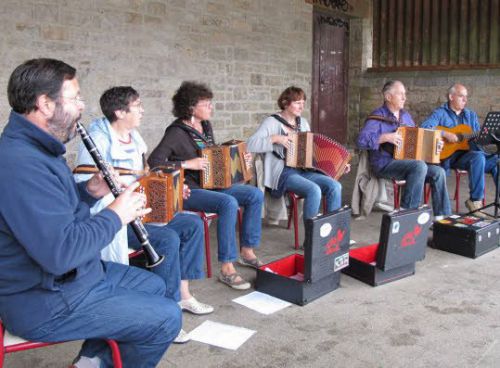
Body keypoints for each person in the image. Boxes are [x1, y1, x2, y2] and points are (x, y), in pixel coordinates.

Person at [0, 58, 180, 368]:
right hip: (44, 299)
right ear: (44, 104)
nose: (82, 106)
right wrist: (115, 214)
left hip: (75, 278)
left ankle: (90, 361)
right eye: (75, 97)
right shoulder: (21, 163)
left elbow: (60, 215)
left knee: (155, 286)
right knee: (166, 318)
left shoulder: (42, 149)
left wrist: (88, 193)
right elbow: (61, 252)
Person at [75, 86, 214, 345]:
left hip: (142, 208)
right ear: (119, 111)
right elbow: (85, 185)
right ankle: (167, 311)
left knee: (193, 223)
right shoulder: (98, 139)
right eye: (137, 105)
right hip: (116, 218)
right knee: (169, 239)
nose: (142, 109)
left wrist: (171, 185)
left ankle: (183, 293)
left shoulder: (135, 137)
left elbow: (146, 173)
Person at [148, 81, 264, 290]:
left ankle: (247, 252)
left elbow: (212, 156)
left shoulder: (206, 127)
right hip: (189, 190)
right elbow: (154, 162)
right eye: (206, 103)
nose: (211, 107)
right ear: (191, 107)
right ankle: (227, 268)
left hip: (212, 186)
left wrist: (239, 161)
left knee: (254, 195)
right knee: (228, 203)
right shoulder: (175, 132)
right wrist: (186, 164)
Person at [247, 86, 348, 224]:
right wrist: (276, 138)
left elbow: (313, 152)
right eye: (297, 103)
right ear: (285, 103)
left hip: (303, 170)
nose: (301, 107)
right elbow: (250, 144)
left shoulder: (303, 123)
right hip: (283, 173)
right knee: (314, 190)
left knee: (335, 186)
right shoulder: (272, 122)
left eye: (303, 103)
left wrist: (339, 165)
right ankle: (311, 240)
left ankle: (331, 235)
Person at [357, 80, 451, 219]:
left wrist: (434, 145)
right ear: (388, 97)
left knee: (439, 172)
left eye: (404, 94)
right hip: (385, 164)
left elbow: (417, 141)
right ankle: (407, 215)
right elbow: (361, 141)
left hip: (408, 162)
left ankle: (442, 218)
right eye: (400, 94)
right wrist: (385, 137)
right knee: (418, 166)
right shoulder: (376, 117)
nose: (404, 98)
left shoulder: (406, 116)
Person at [421, 83, 498, 216]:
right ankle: (475, 201)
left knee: (497, 161)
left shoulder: (470, 115)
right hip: (450, 157)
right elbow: (425, 127)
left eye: (466, 97)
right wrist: (445, 134)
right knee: (478, 157)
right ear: (451, 97)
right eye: (461, 96)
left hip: (470, 154)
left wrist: (485, 136)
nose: (465, 100)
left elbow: (477, 138)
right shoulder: (440, 113)